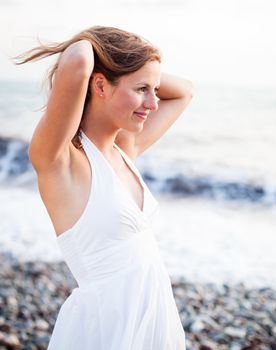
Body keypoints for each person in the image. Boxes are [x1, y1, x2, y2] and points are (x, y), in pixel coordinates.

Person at [15, 25, 193, 349]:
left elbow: (185, 91)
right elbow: (78, 62)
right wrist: (100, 47)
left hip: (155, 318)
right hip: (106, 328)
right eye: (142, 89)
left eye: (154, 89)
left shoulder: (125, 149)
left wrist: (139, 69)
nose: (153, 103)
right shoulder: (60, 161)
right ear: (99, 84)